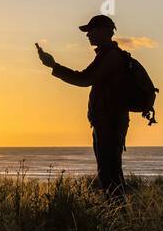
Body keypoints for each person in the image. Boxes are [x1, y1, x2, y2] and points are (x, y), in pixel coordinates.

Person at [35, 14, 129, 195]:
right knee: (109, 172)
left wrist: (54, 66)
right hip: (107, 121)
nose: (87, 35)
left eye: (90, 31)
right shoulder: (107, 55)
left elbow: (85, 79)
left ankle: (119, 217)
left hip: (110, 121)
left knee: (110, 174)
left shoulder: (110, 56)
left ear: (104, 31)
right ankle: (117, 216)